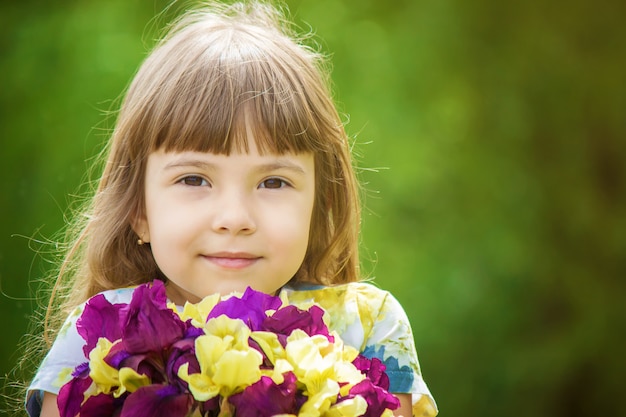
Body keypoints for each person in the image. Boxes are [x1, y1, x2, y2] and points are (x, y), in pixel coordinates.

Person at [25, 1, 437, 416]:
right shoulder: (98, 339)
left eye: (273, 182)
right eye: (194, 179)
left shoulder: (366, 327)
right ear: (139, 211)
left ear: (319, 203)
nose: (235, 219)